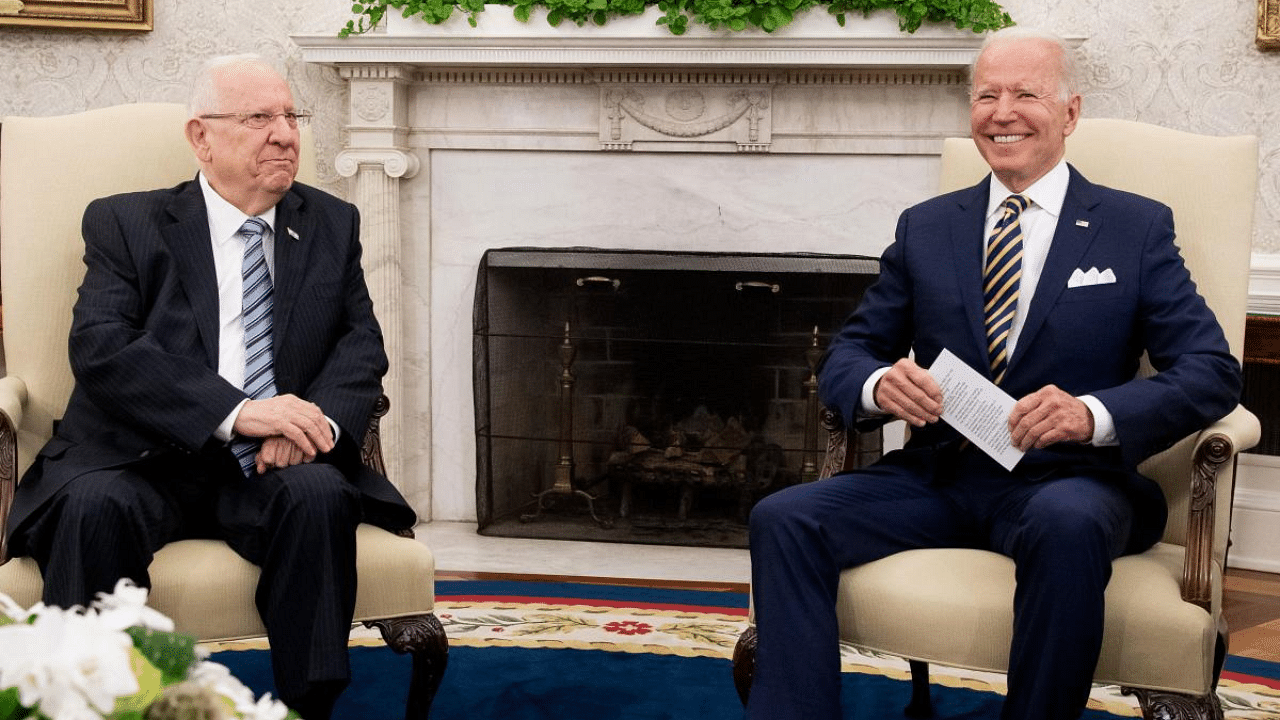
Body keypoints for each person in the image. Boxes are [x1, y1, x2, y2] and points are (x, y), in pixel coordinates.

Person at [745, 27, 1242, 720]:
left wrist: (1092, 414)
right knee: (784, 517)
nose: (1002, 112)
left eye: (1025, 94)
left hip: (1074, 483)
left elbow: (1212, 372)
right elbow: (849, 355)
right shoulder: (925, 228)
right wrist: (876, 385)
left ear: (1069, 113)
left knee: (1065, 526)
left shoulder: (1133, 229)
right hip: (941, 479)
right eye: (987, 95)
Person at [3, 55, 416, 720]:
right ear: (203, 137)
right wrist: (242, 412)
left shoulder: (331, 224)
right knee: (94, 505)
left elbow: (359, 344)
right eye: (260, 118)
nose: (286, 133)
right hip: (142, 456)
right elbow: (102, 347)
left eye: (291, 116)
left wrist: (312, 425)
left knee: (319, 495)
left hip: (276, 465)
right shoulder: (127, 224)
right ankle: (95, 704)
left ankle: (309, 707)